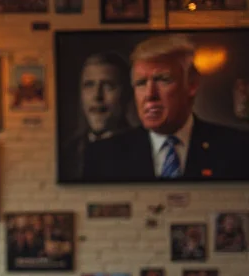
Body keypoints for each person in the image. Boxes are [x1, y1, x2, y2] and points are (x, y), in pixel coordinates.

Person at [82, 34, 249, 181]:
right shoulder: (102, 156)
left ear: (192, 84)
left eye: (163, 80)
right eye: (141, 83)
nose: (150, 95)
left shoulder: (238, 148)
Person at [60, 52, 135, 180]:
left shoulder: (144, 150)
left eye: (108, 85)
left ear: (127, 94)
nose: (97, 96)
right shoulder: (68, 153)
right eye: (89, 85)